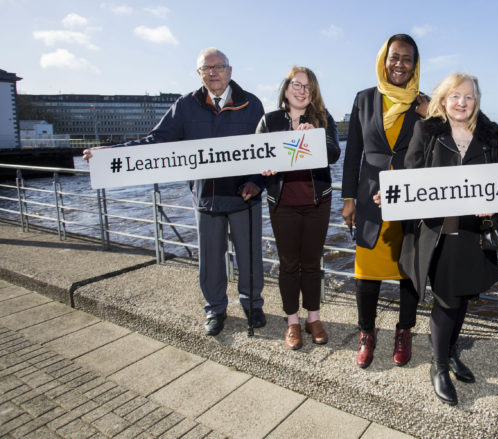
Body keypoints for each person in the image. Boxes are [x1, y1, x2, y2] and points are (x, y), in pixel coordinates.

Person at [84, 47, 267, 337]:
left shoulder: (252, 105)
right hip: (206, 197)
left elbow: (266, 150)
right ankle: (215, 309)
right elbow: (156, 142)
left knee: (250, 258)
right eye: (207, 68)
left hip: (245, 197)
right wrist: (110, 154)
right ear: (199, 74)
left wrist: (256, 181)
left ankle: (253, 305)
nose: (213, 72)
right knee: (210, 261)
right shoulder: (185, 106)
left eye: (219, 67)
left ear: (230, 71)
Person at [398, 73, 498, 406]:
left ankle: (451, 352)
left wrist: (490, 206)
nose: (462, 102)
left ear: (477, 101)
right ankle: (439, 366)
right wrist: (392, 196)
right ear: (442, 100)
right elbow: (411, 176)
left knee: (462, 298)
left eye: (469, 97)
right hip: (440, 233)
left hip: (474, 233)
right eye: (455, 96)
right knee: (446, 300)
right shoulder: (426, 131)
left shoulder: (491, 135)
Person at [341, 33, 428, 368]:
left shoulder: (424, 102)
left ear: (415, 64)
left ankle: (404, 330)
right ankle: (367, 333)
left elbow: (437, 150)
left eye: (407, 58)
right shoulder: (364, 99)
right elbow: (352, 154)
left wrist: (431, 114)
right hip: (370, 199)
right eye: (394, 57)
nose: (400, 64)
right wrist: (348, 198)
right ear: (384, 59)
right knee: (366, 272)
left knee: (408, 269)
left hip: (411, 199)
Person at [256, 66, 340, 350]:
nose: (301, 90)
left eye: (307, 86)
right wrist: (262, 169)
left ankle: (313, 318)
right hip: (283, 204)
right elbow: (255, 158)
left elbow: (333, 153)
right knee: (289, 264)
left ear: (313, 92)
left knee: (312, 262)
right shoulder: (269, 120)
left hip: (317, 202)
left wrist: (313, 135)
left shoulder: (323, 118)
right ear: (286, 88)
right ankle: (292, 321)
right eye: (297, 84)